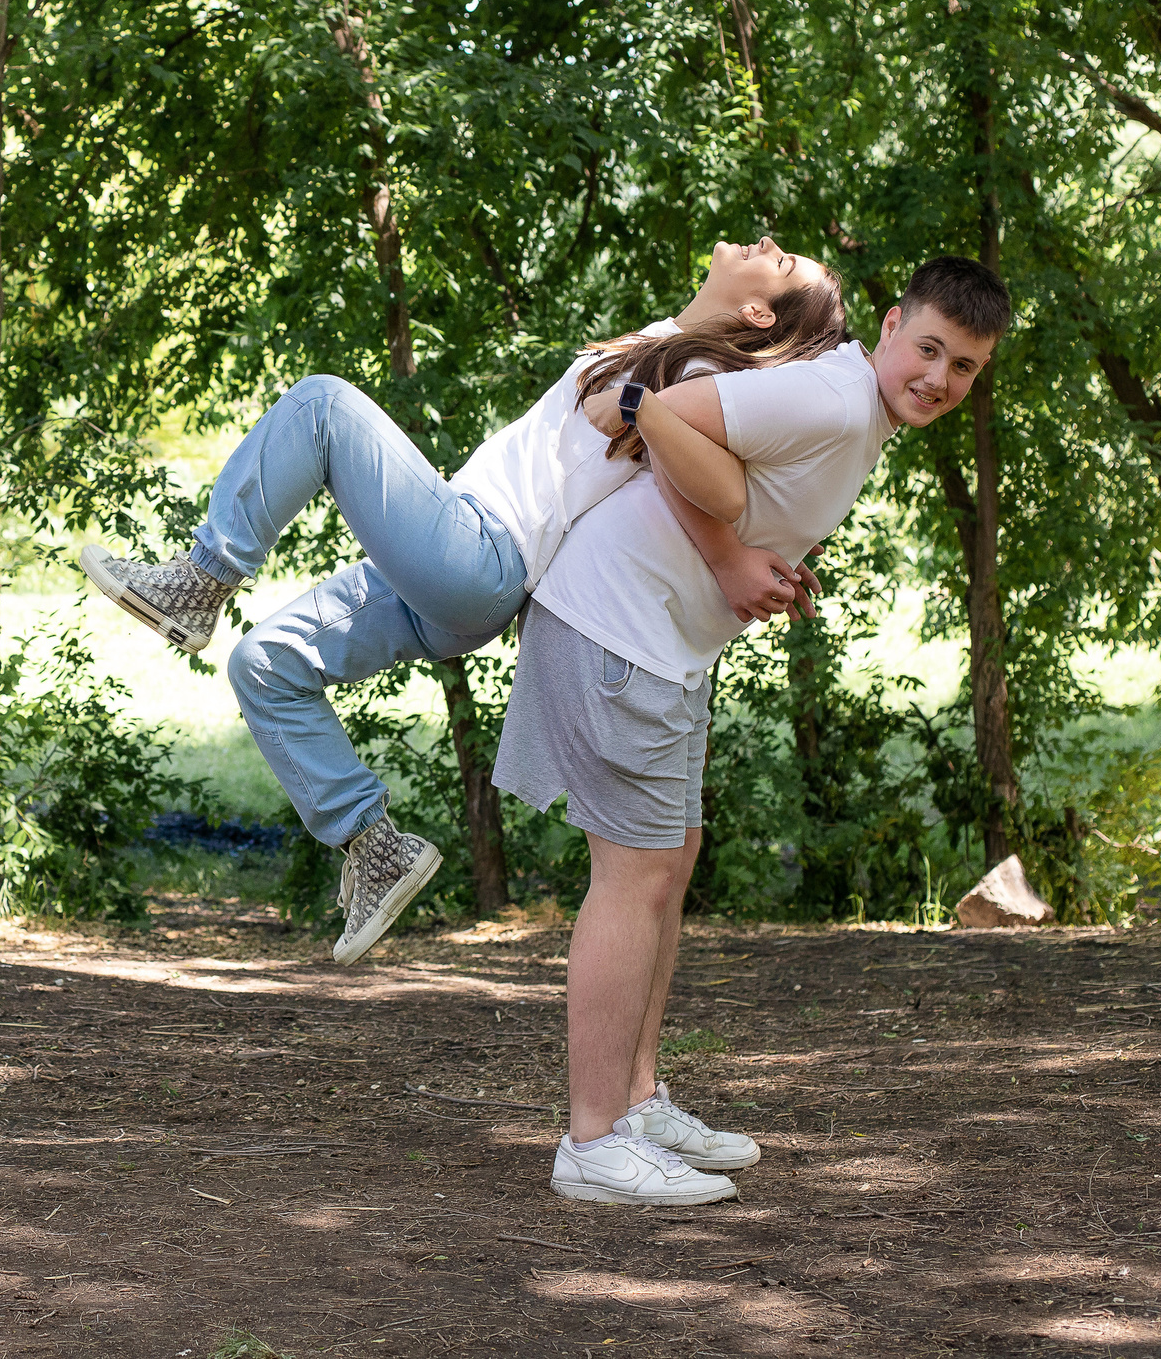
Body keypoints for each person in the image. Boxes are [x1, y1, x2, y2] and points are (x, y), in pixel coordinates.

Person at [80, 239, 850, 963]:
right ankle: (374, 848)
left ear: (759, 314)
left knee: (322, 407)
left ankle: (201, 579)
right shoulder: (668, 346)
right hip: (467, 574)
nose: (762, 244)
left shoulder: (687, 379)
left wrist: (720, 535)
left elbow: (723, 485)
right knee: (264, 662)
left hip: (484, 552)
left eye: (779, 261)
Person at [520, 255, 1012, 1208]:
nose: (940, 380)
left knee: (672, 859)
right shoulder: (832, 399)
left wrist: (761, 562)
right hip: (615, 624)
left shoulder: (858, 416)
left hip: (658, 639)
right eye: (929, 350)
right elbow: (657, 415)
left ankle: (637, 1101)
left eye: (965, 368)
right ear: (890, 324)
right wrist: (731, 556)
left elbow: (726, 469)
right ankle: (591, 1140)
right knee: (634, 877)